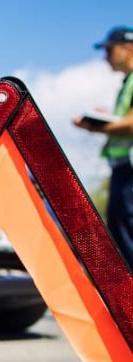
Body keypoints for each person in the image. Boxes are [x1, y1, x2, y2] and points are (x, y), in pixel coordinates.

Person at [73, 26, 133, 269]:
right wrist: (108, 119)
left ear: (128, 48)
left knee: (127, 232)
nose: (105, 57)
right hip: (123, 170)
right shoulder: (127, 83)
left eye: (109, 51)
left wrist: (95, 127)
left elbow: (130, 125)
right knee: (122, 232)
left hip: (129, 172)